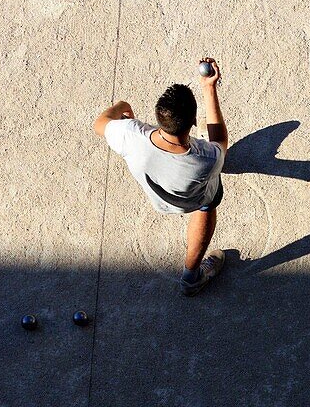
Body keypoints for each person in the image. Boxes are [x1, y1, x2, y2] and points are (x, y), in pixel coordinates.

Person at [93, 57, 229, 296]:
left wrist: (121, 106)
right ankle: (191, 277)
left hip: (158, 197)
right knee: (209, 201)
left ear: (158, 117)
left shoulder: (129, 135)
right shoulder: (207, 159)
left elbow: (100, 124)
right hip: (192, 199)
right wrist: (209, 87)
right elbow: (220, 142)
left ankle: (193, 278)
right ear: (195, 121)